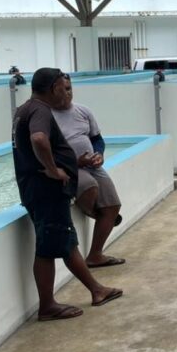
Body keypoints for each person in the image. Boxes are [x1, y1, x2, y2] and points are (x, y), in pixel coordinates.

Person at [12, 68, 123, 321]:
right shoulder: (40, 111)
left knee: (62, 243)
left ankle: (95, 290)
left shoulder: (23, 110)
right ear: (53, 88)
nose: (67, 93)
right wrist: (54, 170)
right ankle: (49, 305)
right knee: (51, 247)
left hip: (35, 188)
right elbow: (39, 139)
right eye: (64, 88)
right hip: (46, 189)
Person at [51, 75, 125, 268]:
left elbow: (97, 139)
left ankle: (95, 255)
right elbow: (47, 152)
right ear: (52, 92)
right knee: (90, 187)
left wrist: (99, 154)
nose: (67, 93)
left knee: (113, 205)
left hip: (92, 165)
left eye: (69, 88)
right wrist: (76, 161)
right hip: (70, 168)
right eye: (61, 89)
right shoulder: (47, 117)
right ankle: (93, 212)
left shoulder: (83, 111)